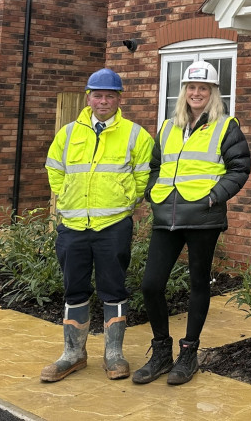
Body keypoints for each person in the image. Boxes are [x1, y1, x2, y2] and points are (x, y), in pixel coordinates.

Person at [132, 60, 251, 386]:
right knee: (151, 285)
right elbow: (156, 166)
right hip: (166, 216)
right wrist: (153, 192)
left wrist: (213, 197)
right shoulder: (169, 127)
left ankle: (189, 353)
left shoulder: (226, 127)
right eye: (191, 88)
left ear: (212, 93)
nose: (196, 93)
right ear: (184, 92)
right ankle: (161, 352)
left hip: (203, 218)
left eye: (203, 88)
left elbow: (239, 168)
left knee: (199, 284)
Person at [41, 67, 154, 382]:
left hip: (113, 226)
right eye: (98, 95)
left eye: (110, 95)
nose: (103, 101)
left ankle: (114, 354)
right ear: (88, 97)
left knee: (113, 290)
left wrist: (127, 198)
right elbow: (55, 168)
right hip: (73, 226)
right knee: (73, 289)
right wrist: (65, 196)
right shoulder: (68, 133)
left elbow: (144, 174)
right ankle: (72, 354)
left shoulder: (135, 134)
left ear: (118, 99)